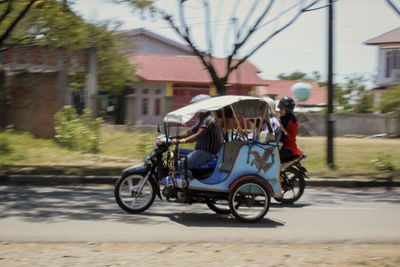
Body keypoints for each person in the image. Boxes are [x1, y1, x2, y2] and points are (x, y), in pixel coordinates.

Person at [171, 94, 222, 169]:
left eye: (196, 106)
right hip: (201, 152)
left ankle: (184, 179)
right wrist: (173, 137)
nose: (194, 109)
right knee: (176, 152)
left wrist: (181, 141)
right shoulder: (202, 119)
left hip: (206, 153)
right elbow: (189, 132)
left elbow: (198, 134)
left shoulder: (209, 119)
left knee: (179, 165)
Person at [278, 96, 303, 162]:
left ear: (287, 109)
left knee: (272, 155)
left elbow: (292, 137)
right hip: (282, 146)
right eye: (280, 109)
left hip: (289, 149)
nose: (280, 111)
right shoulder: (283, 119)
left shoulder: (292, 122)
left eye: (282, 109)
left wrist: (284, 130)